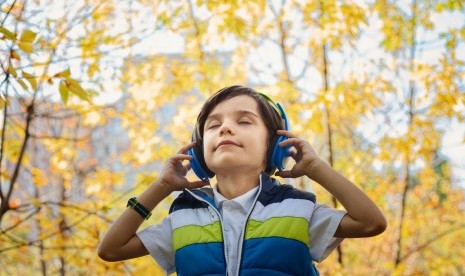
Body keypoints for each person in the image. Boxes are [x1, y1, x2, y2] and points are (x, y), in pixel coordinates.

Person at [98, 85, 387, 275]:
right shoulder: (184, 219)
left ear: (275, 147)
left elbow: (371, 222)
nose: (225, 128)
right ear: (198, 152)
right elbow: (111, 248)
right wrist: (160, 188)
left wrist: (315, 167)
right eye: (214, 125)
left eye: (244, 121)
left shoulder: (298, 211)